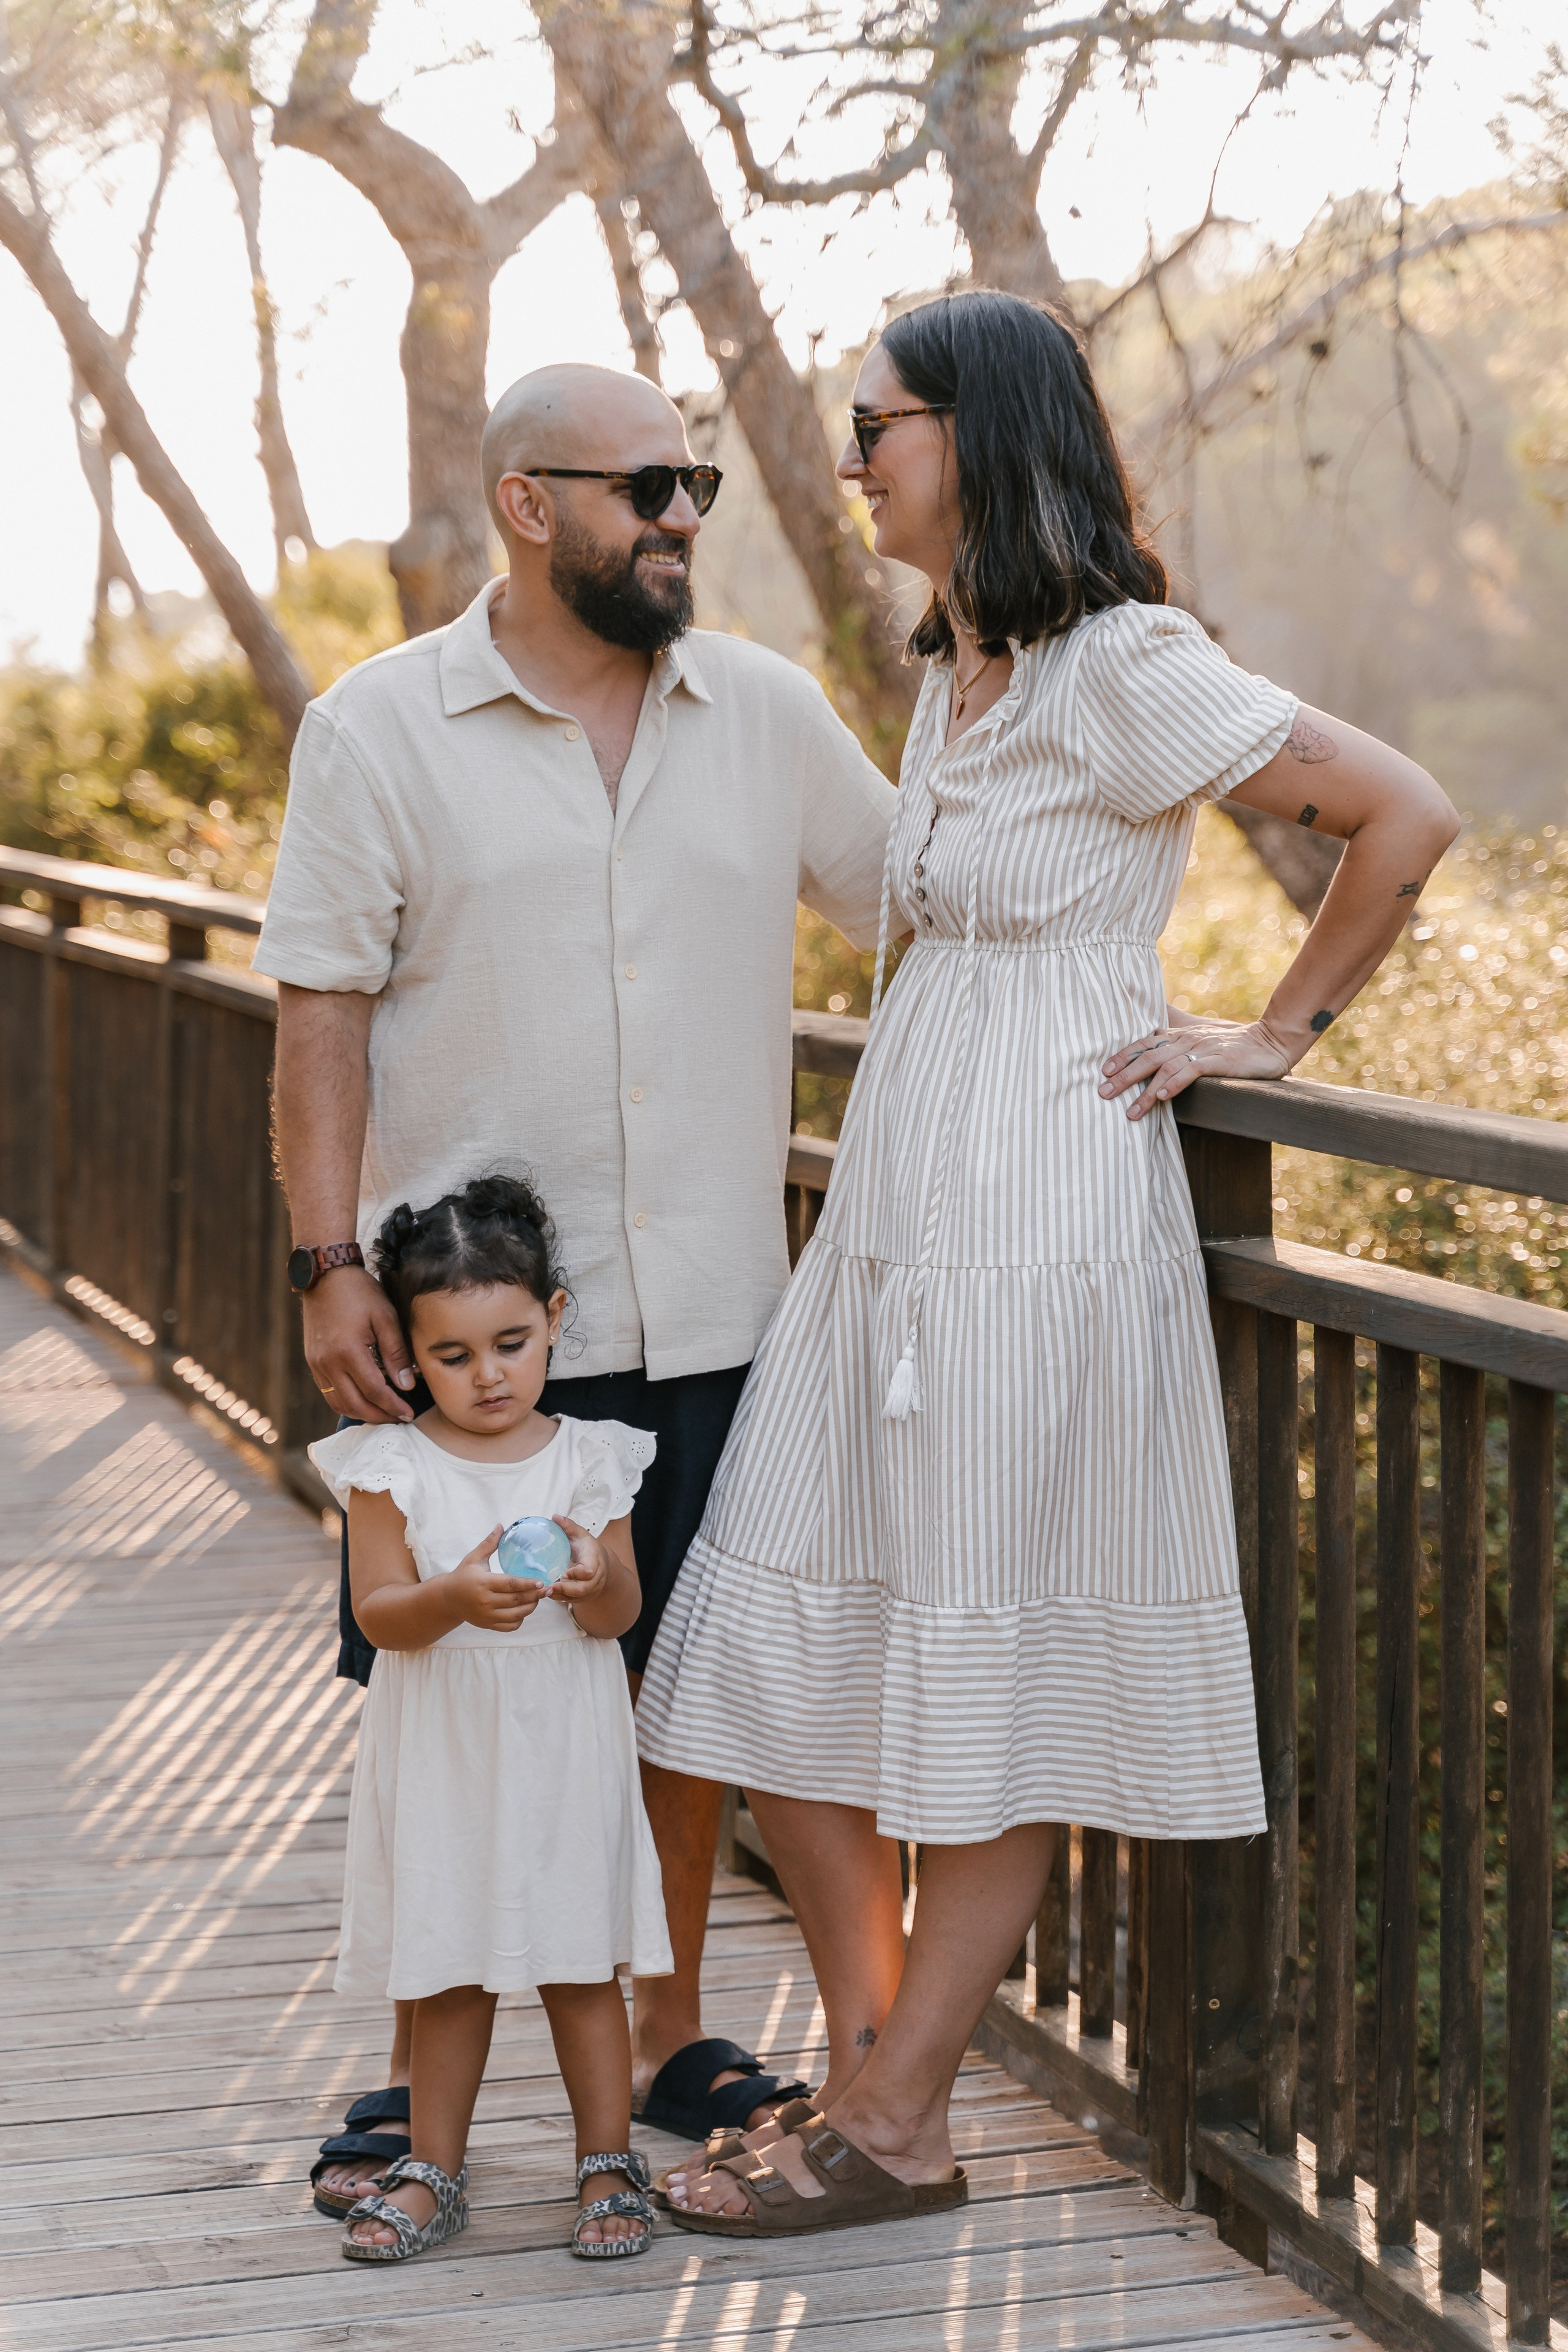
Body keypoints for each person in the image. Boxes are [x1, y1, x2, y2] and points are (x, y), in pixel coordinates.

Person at [636, 288, 1460, 2235]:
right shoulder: (964, 672)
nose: (850, 458)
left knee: (994, 1651)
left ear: (984, 435)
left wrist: (1274, 1033)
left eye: (880, 423)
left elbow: (1402, 814)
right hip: (907, 1218)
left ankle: (899, 2121)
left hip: (1040, 1215)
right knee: (759, 1650)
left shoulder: (1116, 662)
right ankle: (881, 2080)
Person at [255, 361, 897, 2211]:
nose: (686, 513)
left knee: (674, 1704)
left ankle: (672, 2036)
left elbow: (924, 904)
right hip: (476, 1346)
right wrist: (326, 1270)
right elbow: (321, 1015)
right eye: (647, 486)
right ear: (528, 505)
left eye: (695, 483)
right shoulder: (377, 730)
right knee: (458, 1695)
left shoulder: (765, 712)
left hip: (716, 1319)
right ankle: (417, 2090)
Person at [313, 1174, 666, 2261]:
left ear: (554, 1320)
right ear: (411, 1356)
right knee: (450, 1964)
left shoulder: (591, 1456)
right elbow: (380, 1614)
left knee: (579, 1964)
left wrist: (595, 1569)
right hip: (448, 1759)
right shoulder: (393, 1466)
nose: (489, 1375)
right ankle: (434, 2167)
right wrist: (453, 1598)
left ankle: (606, 2159)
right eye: (454, 1357)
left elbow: (620, 1614)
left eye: (511, 1343)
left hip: (564, 1748)